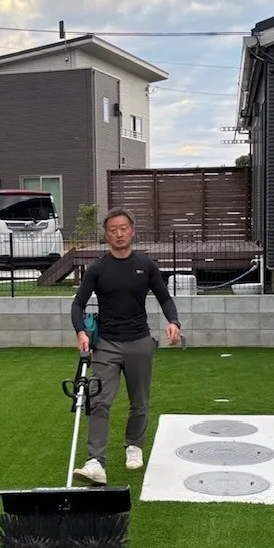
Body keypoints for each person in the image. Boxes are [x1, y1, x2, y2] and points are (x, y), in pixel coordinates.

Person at [69, 207, 181, 486]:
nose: (118, 234)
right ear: (106, 235)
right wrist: (81, 331)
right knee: (99, 400)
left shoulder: (146, 265)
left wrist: (174, 322)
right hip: (106, 344)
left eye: (123, 228)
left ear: (132, 231)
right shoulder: (98, 268)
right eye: (112, 230)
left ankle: (134, 445)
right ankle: (95, 461)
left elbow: (165, 298)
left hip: (140, 342)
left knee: (139, 401)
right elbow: (78, 304)